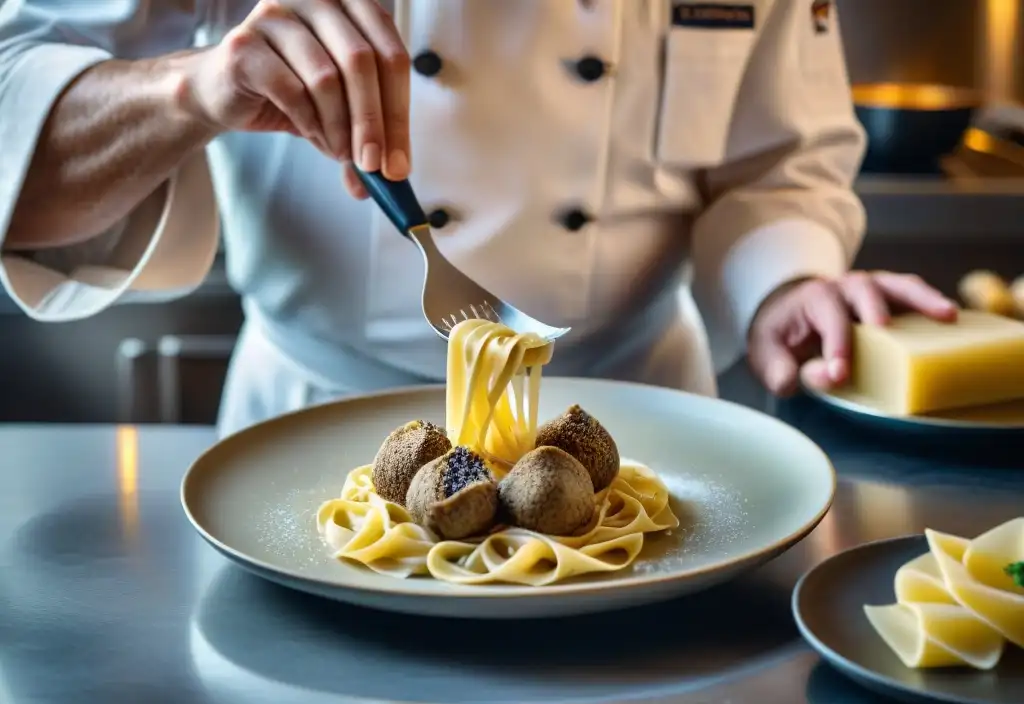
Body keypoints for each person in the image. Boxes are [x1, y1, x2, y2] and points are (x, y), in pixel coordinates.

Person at [0, 0, 956, 436]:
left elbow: (775, 161)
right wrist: (189, 91)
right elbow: (18, 137)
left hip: (648, 428)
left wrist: (785, 279)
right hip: (313, 428)